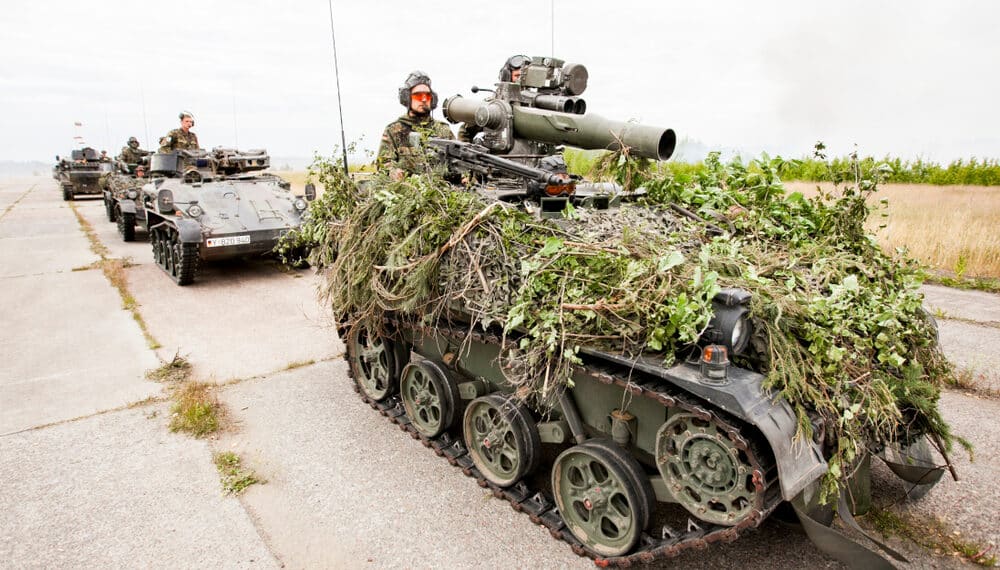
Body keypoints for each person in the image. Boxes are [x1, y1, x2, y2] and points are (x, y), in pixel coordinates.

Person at [377, 71, 454, 180]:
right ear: (407, 98)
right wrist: (393, 172)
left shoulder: (443, 130)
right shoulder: (394, 130)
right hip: (407, 187)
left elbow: (458, 161)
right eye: (418, 95)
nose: (424, 99)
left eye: (427, 96)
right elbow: (383, 164)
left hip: (442, 188)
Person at [458, 55, 529, 143]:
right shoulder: (493, 106)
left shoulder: (536, 104)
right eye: (517, 76)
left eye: (523, 77)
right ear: (507, 77)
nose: (520, 80)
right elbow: (465, 132)